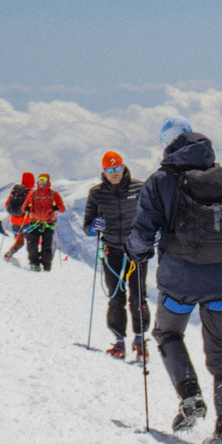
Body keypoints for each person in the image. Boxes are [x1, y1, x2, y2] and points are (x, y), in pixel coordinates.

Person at [131, 118, 222, 444]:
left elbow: (142, 233)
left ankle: (190, 395)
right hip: (221, 280)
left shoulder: (160, 181)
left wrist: (135, 251)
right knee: (220, 352)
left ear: (167, 144)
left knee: (167, 333)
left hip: (179, 280)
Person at [80, 150, 149, 360]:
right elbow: (87, 226)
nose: (115, 173)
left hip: (136, 249)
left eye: (117, 168)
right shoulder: (96, 194)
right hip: (112, 250)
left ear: (123, 167)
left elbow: (151, 215)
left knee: (138, 295)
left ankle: (140, 340)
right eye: (110, 170)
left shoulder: (139, 188)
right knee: (115, 296)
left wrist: (152, 234)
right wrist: (93, 228)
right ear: (104, 172)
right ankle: (119, 341)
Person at [21, 172, 66, 271]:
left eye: (43, 181)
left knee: (46, 246)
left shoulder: (53, 194)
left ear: (47, 182)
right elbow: (24, 207)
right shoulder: (33, 194)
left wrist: (57, 207)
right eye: (40, 180)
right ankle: (35, 263)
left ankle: (46, 265)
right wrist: (27, 208)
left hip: (48, 223)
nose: (41, 183)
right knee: (32, 244)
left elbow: (62, 208)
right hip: (35, 222)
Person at [0, 174, 35, 264]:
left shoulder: (15, 190)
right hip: (26, 222)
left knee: (19, 241)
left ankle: (9, 253)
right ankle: (33, 262)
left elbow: (7, 204)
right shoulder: (31, 193)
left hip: (14, 222)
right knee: (32, 242)